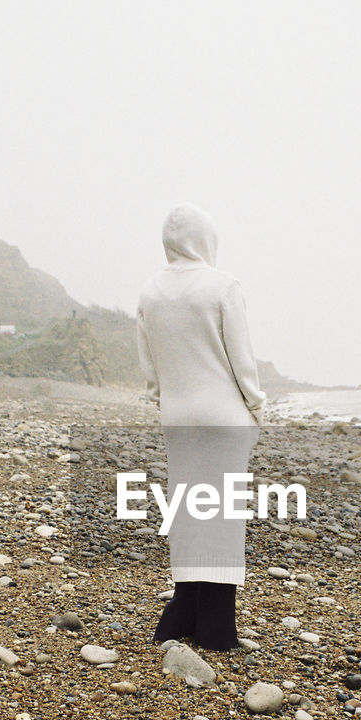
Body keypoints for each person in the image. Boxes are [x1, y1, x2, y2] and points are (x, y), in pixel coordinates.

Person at [136, 202, 265, 650]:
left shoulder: (150, 291)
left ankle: (181, 614)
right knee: (223, 515)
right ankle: (216, 628)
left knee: (187, 512)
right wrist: (255, 406)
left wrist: (164, 401)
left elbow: (150, 367)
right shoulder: (222, 286)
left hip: (178, 417)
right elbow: (241, 360)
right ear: (206, 238)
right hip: (222, 416)